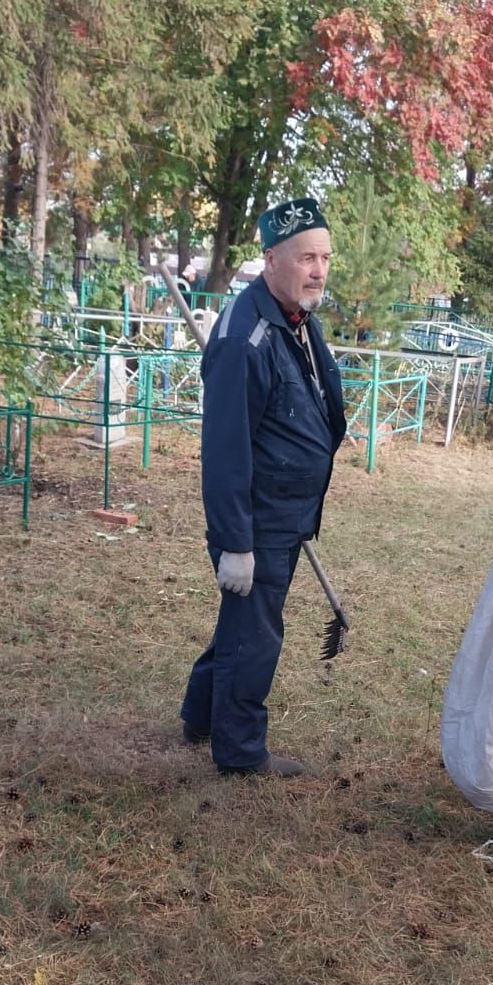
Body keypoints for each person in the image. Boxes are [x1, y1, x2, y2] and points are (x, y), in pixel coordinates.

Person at [180, 196, 346, 776]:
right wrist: (236, 543)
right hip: (257, 518)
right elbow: (225, 452)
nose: (319, 269)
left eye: (325, 257)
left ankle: (201, 716)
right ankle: (241, 751)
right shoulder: (243, 339)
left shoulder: (295, 319)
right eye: (306, 258)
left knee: (243, 623)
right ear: (271, 258)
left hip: (285, 507)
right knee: (255, 635)